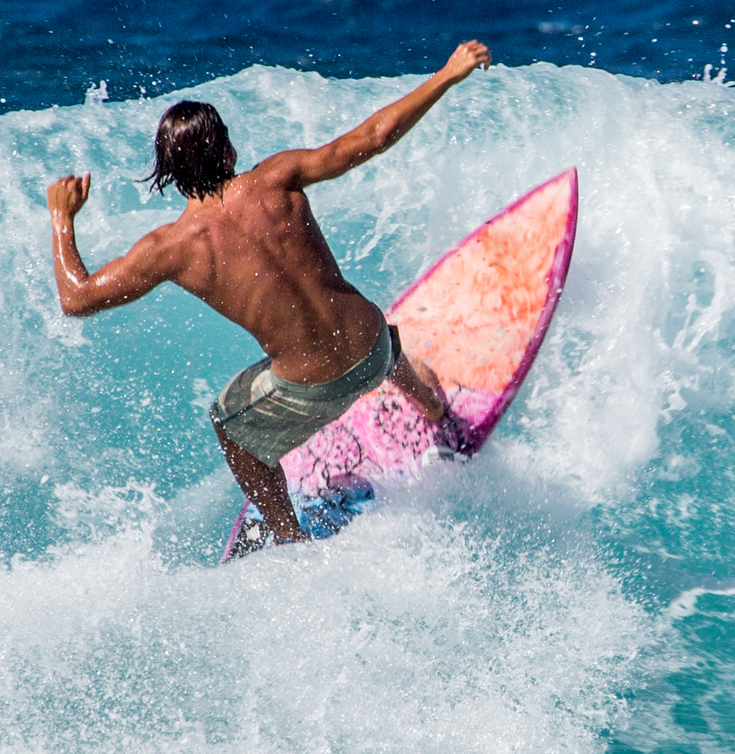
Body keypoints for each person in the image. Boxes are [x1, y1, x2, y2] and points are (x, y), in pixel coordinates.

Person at [44, 41, 493, 547]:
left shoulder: (168, 249)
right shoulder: (278, 177)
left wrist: (63, 220)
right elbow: (375, 135)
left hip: (313, 389)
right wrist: (449, 74)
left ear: (169, 177)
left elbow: (76, 298)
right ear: (229, 151)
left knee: (229, 428)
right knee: (369, 323)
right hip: (374, 349)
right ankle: (432, 407)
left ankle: (286, 534)